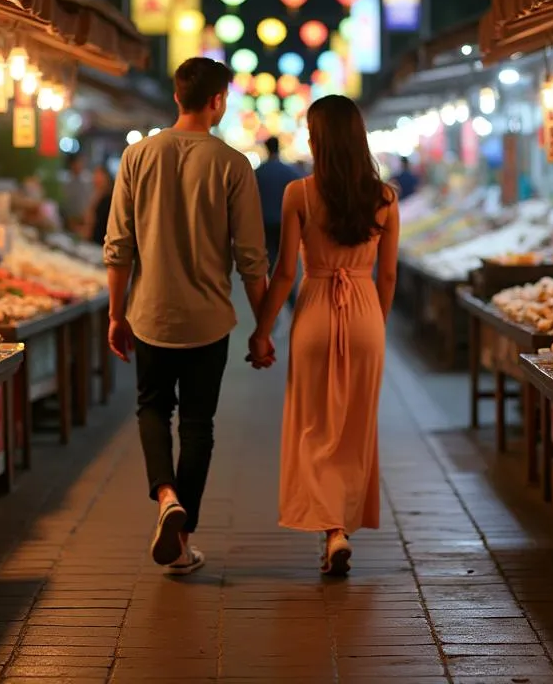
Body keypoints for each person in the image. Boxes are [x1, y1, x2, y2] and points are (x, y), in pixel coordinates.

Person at [103, 57, 273, 577]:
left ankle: (166, 497)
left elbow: (118, 247)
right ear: (218, 101)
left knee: (152, 409)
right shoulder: (233, 164)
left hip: (150, 314)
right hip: (208, 321)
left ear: (178, 97)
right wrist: (262, 329)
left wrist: (116, 314)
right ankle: (183, 539)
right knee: (199, 425)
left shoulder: (137, 156)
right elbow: (251, 259)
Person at [249, 94, 399, 576]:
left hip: (314, 309)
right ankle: (342, 526)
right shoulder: (386, 198)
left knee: (313, 425)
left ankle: (331, 530)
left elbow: (285, 273)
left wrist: (263, 331)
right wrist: (376, 321)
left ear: (317, 139)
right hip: (364, 313)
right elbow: (389, 277)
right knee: (355, 426)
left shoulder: (300, 193)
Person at [255, 135, 299, 272]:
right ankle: (286, 288)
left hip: (264, 220)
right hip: (284, 220)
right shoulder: (289, 172)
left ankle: (271, 282)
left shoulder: (258, 173)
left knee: (268, 254)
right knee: (285, 256)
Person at [61, 153, 92, 232]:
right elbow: (66, 202)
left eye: (80, 163)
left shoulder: (88, 180)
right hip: (69, 219)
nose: (78, 166)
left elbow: (89, 201)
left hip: (84, 220)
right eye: (76, 163)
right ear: (71, 165)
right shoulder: (66, 181)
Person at [86, 165, 114, 244]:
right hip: (93, 241)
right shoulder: (96, 196)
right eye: (95, 176)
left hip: (103, 242)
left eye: (99, 177)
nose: (96, 179)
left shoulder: (109, 199)